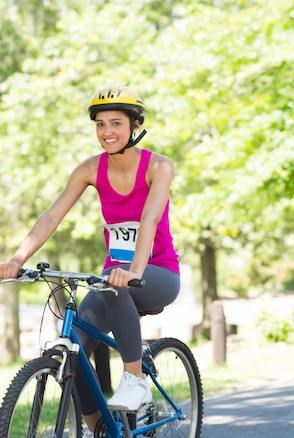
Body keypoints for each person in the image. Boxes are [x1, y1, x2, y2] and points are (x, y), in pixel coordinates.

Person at [0, 86, 180, 435]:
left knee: (115, 284)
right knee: (75, 349)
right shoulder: (89, 169)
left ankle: (134, 378)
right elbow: (51, 217)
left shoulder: (160, 166)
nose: (107, 132)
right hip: (112, 279)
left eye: (116, 123)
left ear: (136, 125)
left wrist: (134, 271)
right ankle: (100, 428)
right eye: (100, 124)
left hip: (157, 274)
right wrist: (17, 258)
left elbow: (149, 221)